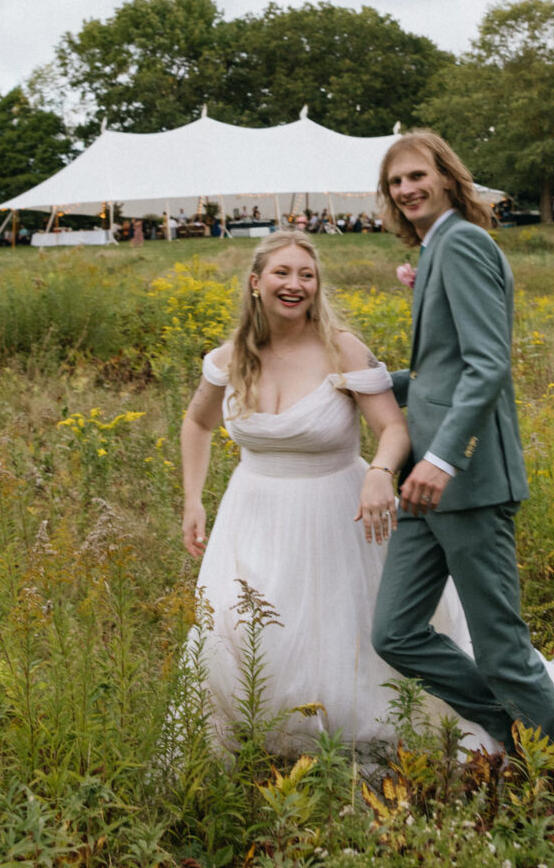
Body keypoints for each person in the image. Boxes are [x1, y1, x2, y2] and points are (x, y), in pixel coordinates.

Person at [371, 130, 554, 751]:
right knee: (396, 634)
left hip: (462, 479)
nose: (406, 189)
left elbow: (487, 366)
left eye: (416, 175)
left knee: (502, 648)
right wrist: (368, 384)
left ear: (447, 177)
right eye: (395, 182)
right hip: (421, 483)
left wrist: (440, 459)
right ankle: (514, 733)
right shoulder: (436, 250)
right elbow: (441, 371)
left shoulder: (461, 243)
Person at [180, 230, 417, 753]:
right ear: (256, 282)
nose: (295, 284)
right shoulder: (228, 359)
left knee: (335, 632)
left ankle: (341, 742)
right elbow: (196, 424)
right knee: (245, 631)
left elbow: (394, 429)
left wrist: (380, 471)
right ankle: (259, 732)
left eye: (306, 275)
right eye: (282, 273)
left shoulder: (342, 348)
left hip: (337, 510)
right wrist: (193, 499)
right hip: (252, 512)